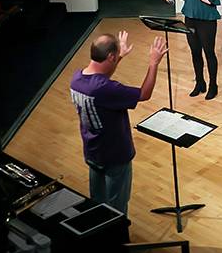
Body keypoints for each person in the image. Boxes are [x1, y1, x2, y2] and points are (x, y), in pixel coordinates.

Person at [70, 30, 167, 215]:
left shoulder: (77, 78)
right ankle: (117, 241)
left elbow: (101, 74)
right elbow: (144, 94)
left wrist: (119, 56)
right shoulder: (105, 89)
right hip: (114, 155)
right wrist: (153, 63)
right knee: (116, 209)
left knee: (97, 202)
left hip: (92, 151)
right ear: (110, 56)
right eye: (114, 58)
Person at [174, 0, 221, 99]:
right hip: (190, 17)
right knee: (195, 52)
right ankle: (200, 83)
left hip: (206, 20)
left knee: (209, 53)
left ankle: (213, 85)